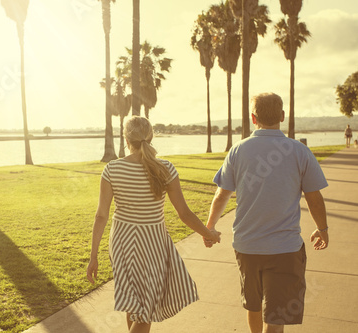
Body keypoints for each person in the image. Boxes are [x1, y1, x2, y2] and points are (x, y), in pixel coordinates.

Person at [204, 93, 329, 333]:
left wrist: (210, 228)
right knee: (276, 316)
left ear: (253, 118)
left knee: (253, 305)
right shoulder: (299, 150)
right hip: (285, 248)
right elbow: (314, 198)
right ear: (282, 116)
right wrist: (322, 229)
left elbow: (222, 195)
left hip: (247, 247)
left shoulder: (238, 150)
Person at [87, 116, 221, 333]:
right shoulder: (165, 168)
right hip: (153, 243)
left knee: (135, 306)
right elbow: (184, 213)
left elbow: (101, 216)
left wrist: (93, 257)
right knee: (145, 310)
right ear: (150, 137)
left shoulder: (112, 169)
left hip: (121, 241)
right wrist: (209, 234)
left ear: (126, 138)